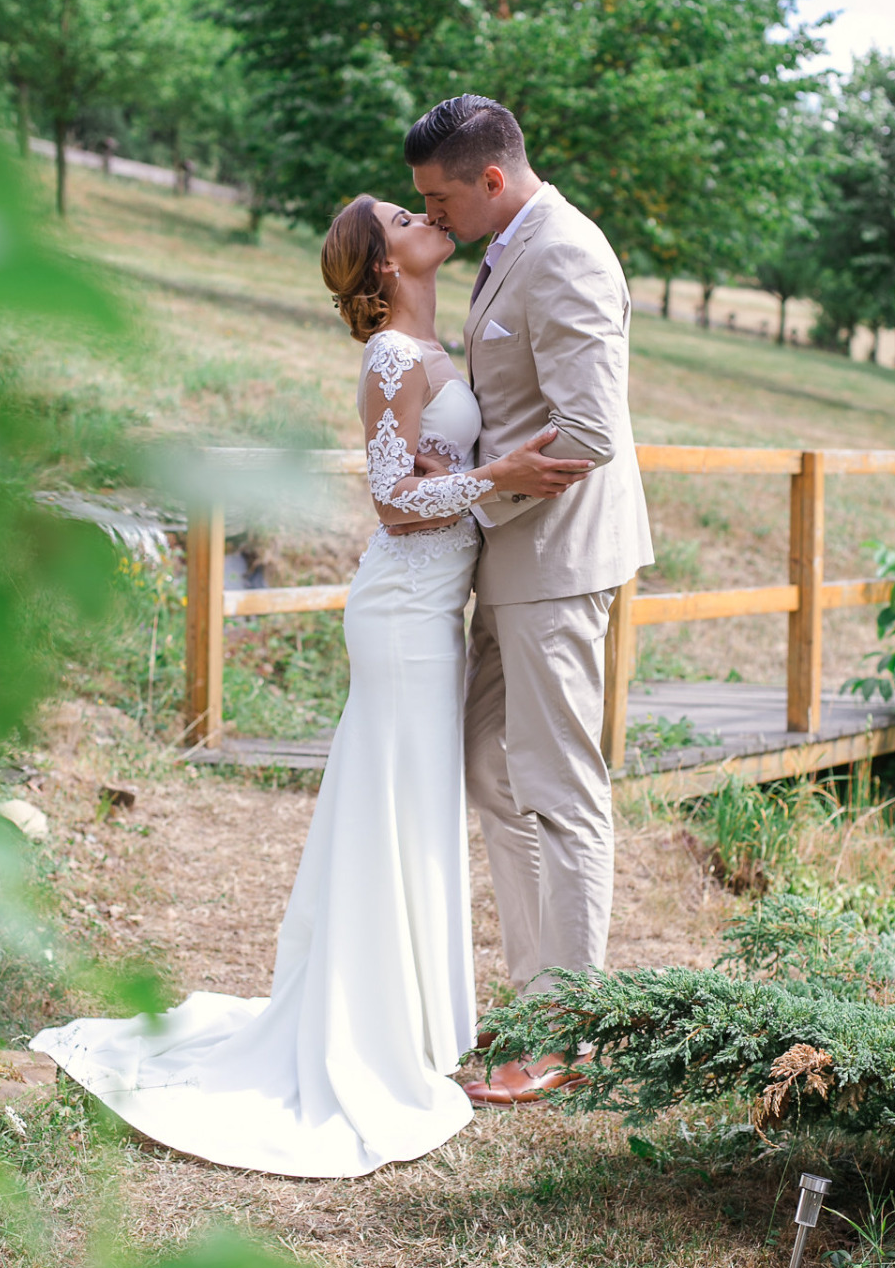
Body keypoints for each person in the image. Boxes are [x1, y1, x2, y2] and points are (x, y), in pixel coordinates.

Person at [30, 197, 590, 1177]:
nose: (424, 213)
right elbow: (391, 502)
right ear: (383, 263)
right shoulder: (392, 359)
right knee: (395, 806)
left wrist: (468, 468)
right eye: (403, 215)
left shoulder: (431, 345)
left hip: (432, 604)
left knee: (413, 807)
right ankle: (372, 1032)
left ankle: (411, 1025)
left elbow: (429, 476)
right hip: (403, 609)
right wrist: (490, 474)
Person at [405, 95, 653, 1107]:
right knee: (489, 767)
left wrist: (472, 494)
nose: (433, 217)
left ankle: (567, 1033)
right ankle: (534, 1002)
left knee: (560, 785)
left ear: (492, 178)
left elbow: (588, 433)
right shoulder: (509, 245)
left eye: (440, 198)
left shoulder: (567, 254)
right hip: (509, 561)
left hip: (555, 559)